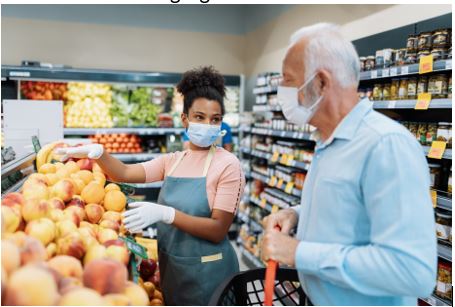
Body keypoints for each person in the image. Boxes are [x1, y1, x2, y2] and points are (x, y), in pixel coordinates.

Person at [261, 23, 437, 306]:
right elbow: (349, 207)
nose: (281, 90)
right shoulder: (329, 140)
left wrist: (299, 253)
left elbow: (412, 271)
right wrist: (297, 215)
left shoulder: (385, 145)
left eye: (287, 80)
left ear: (320, 82)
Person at [56, 66, 245, 306]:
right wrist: (99, 153)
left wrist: (165, 214)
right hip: (173, 270)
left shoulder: (228, 165)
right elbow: (124, 173)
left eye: (215, 119)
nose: (208, 125)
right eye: (200, 117)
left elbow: (219, 228)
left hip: (210, 275)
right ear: (184, 118)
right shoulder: (173, 161)